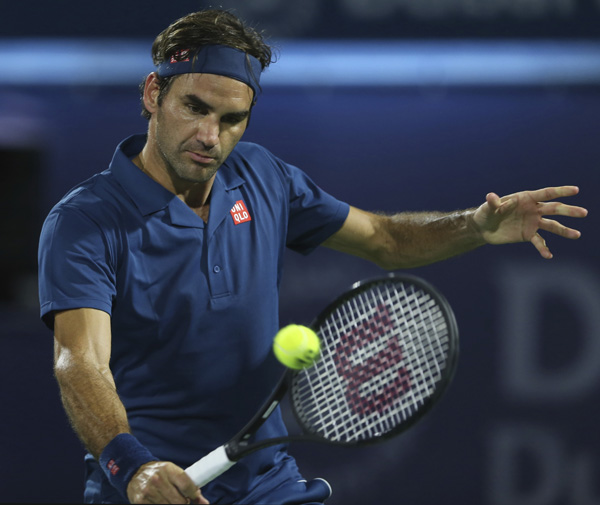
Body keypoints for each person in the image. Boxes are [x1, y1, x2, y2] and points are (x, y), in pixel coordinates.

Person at [37, 8, 588, 505]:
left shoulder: (263, 176)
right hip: (148, 486)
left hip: (267, 484)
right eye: (194, 108)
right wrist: (132, 467)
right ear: (153, 93)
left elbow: (386, 239)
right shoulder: (84, 222)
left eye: (232, 120)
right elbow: (80, 362)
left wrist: (474, 225)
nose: (210, 136)